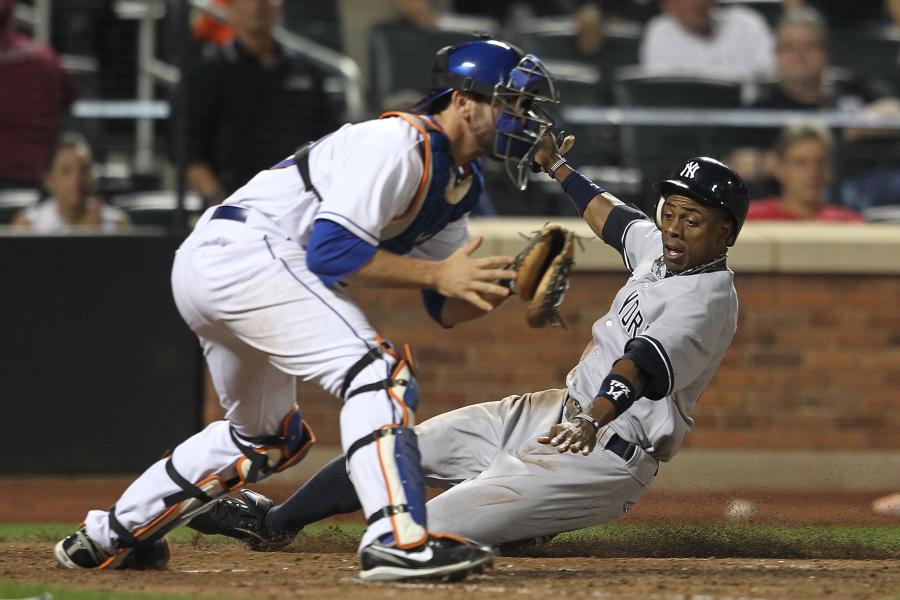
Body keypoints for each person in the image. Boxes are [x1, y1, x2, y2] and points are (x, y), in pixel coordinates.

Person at [53, 38, 560, 582]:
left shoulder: (459, 181)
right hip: (249, 254)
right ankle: (397, 540)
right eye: (511, 104)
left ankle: (113, 534)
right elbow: (332, 252)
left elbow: (444, 307)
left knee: (268, 436)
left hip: (222, 263)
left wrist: (506, 285)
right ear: (463, 101)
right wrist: (440, 273)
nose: (522, 120)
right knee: (380, 374)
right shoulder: (398, 142)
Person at [189, 151, 749, 550]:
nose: (672, 228)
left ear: (725, 234)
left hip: (604, 453)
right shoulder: (662, 246)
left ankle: (521, 520)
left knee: (415, 532)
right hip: (558, 413)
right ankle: (273, 524)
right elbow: (616, 219)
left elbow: (640, 367)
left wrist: (595, 418)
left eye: (691, 219)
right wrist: (557, 167)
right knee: (393, 447)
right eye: (670, 211)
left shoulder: (706, 302)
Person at [181, 0, 341, 206]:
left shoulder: (306, 72)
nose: (258, 6)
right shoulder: (207, 73)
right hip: (236, 204)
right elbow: (186, 150)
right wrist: (220, 202)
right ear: (230, 9)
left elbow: (329, 140)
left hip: (300, 203)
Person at [0, 0, 77, 189]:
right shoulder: (45, 59)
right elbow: (70, 100)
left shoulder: (44, 60)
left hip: (31, 184)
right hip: (33, 181)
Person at [639, 0, 774, 98]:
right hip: (691, 122)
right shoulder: (659, 31)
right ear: (666, 6)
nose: (697, 3)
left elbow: (772, 73)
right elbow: (665, 90)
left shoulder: (746, 22)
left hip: (748, 115)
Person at [11, 133, 130, 232]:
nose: (76, 180)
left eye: (84, 169)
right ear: (49, 179)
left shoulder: (117, 223)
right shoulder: (28, 225)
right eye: (66, 171)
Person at [746, 123, 861, 222]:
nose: (812, 172)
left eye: (820, 163)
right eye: (800, 163)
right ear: (779, 168)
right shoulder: (751, 219)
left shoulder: (847, 223)